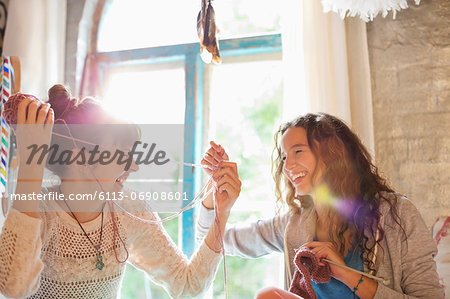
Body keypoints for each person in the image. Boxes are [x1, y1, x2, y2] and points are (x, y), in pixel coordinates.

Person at [0, 84, 241, 298]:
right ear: (81, 158)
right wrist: (31, 164)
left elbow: (188, 286)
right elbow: (13, 288)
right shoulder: (37, 210)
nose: (134, 166)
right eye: (123, 154)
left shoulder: (131, 211)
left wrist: (221, 211)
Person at [197, 112, 442, 299]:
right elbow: (213, 243)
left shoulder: (396, 214)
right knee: (269, 295)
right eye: (283, 157)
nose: (287, 166)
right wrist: (216, 199)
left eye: (298, 151)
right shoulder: (295, 222)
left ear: (333, 153)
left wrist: (346, 273)